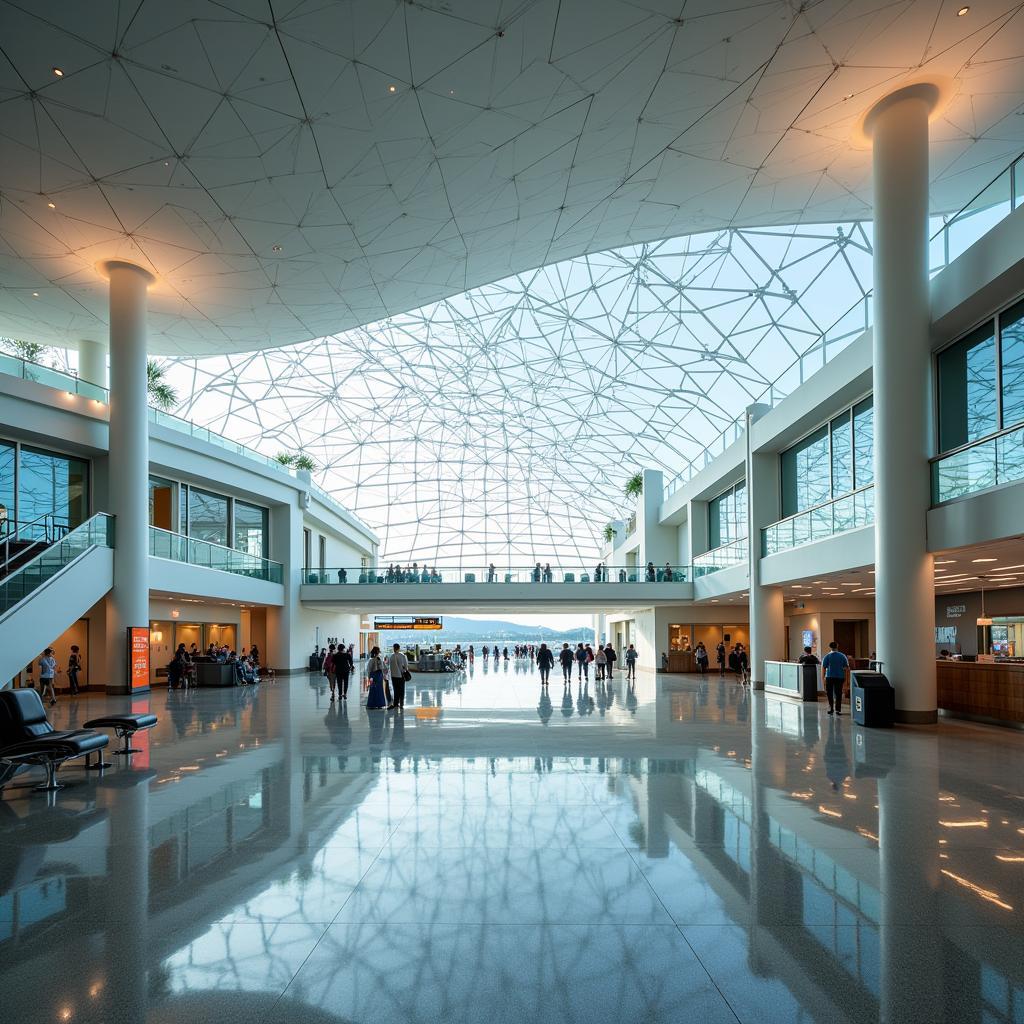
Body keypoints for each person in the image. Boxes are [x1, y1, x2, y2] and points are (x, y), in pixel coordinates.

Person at [821, 640, 850, 715]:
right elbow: (847, 668)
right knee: (838, 693)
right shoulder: (842, 656)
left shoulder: (827, 656)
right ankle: (838, 709)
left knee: (829, 693)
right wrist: (847, 680)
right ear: (837, 646)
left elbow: (823, 668)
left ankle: (831, 708)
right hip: (839, 677)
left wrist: (823, 678)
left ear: (830, 647)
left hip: (829, 676)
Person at [388, 643, 409, 711]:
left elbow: (389, 666)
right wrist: (404, 669)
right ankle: (401, 704)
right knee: (401, 690)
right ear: (399, 648)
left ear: (394, 648)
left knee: (396, 690)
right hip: (401, 676)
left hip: (394, 676)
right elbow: (406, 666)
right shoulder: (402, 655)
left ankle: (395, 704)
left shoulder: (391, 656)